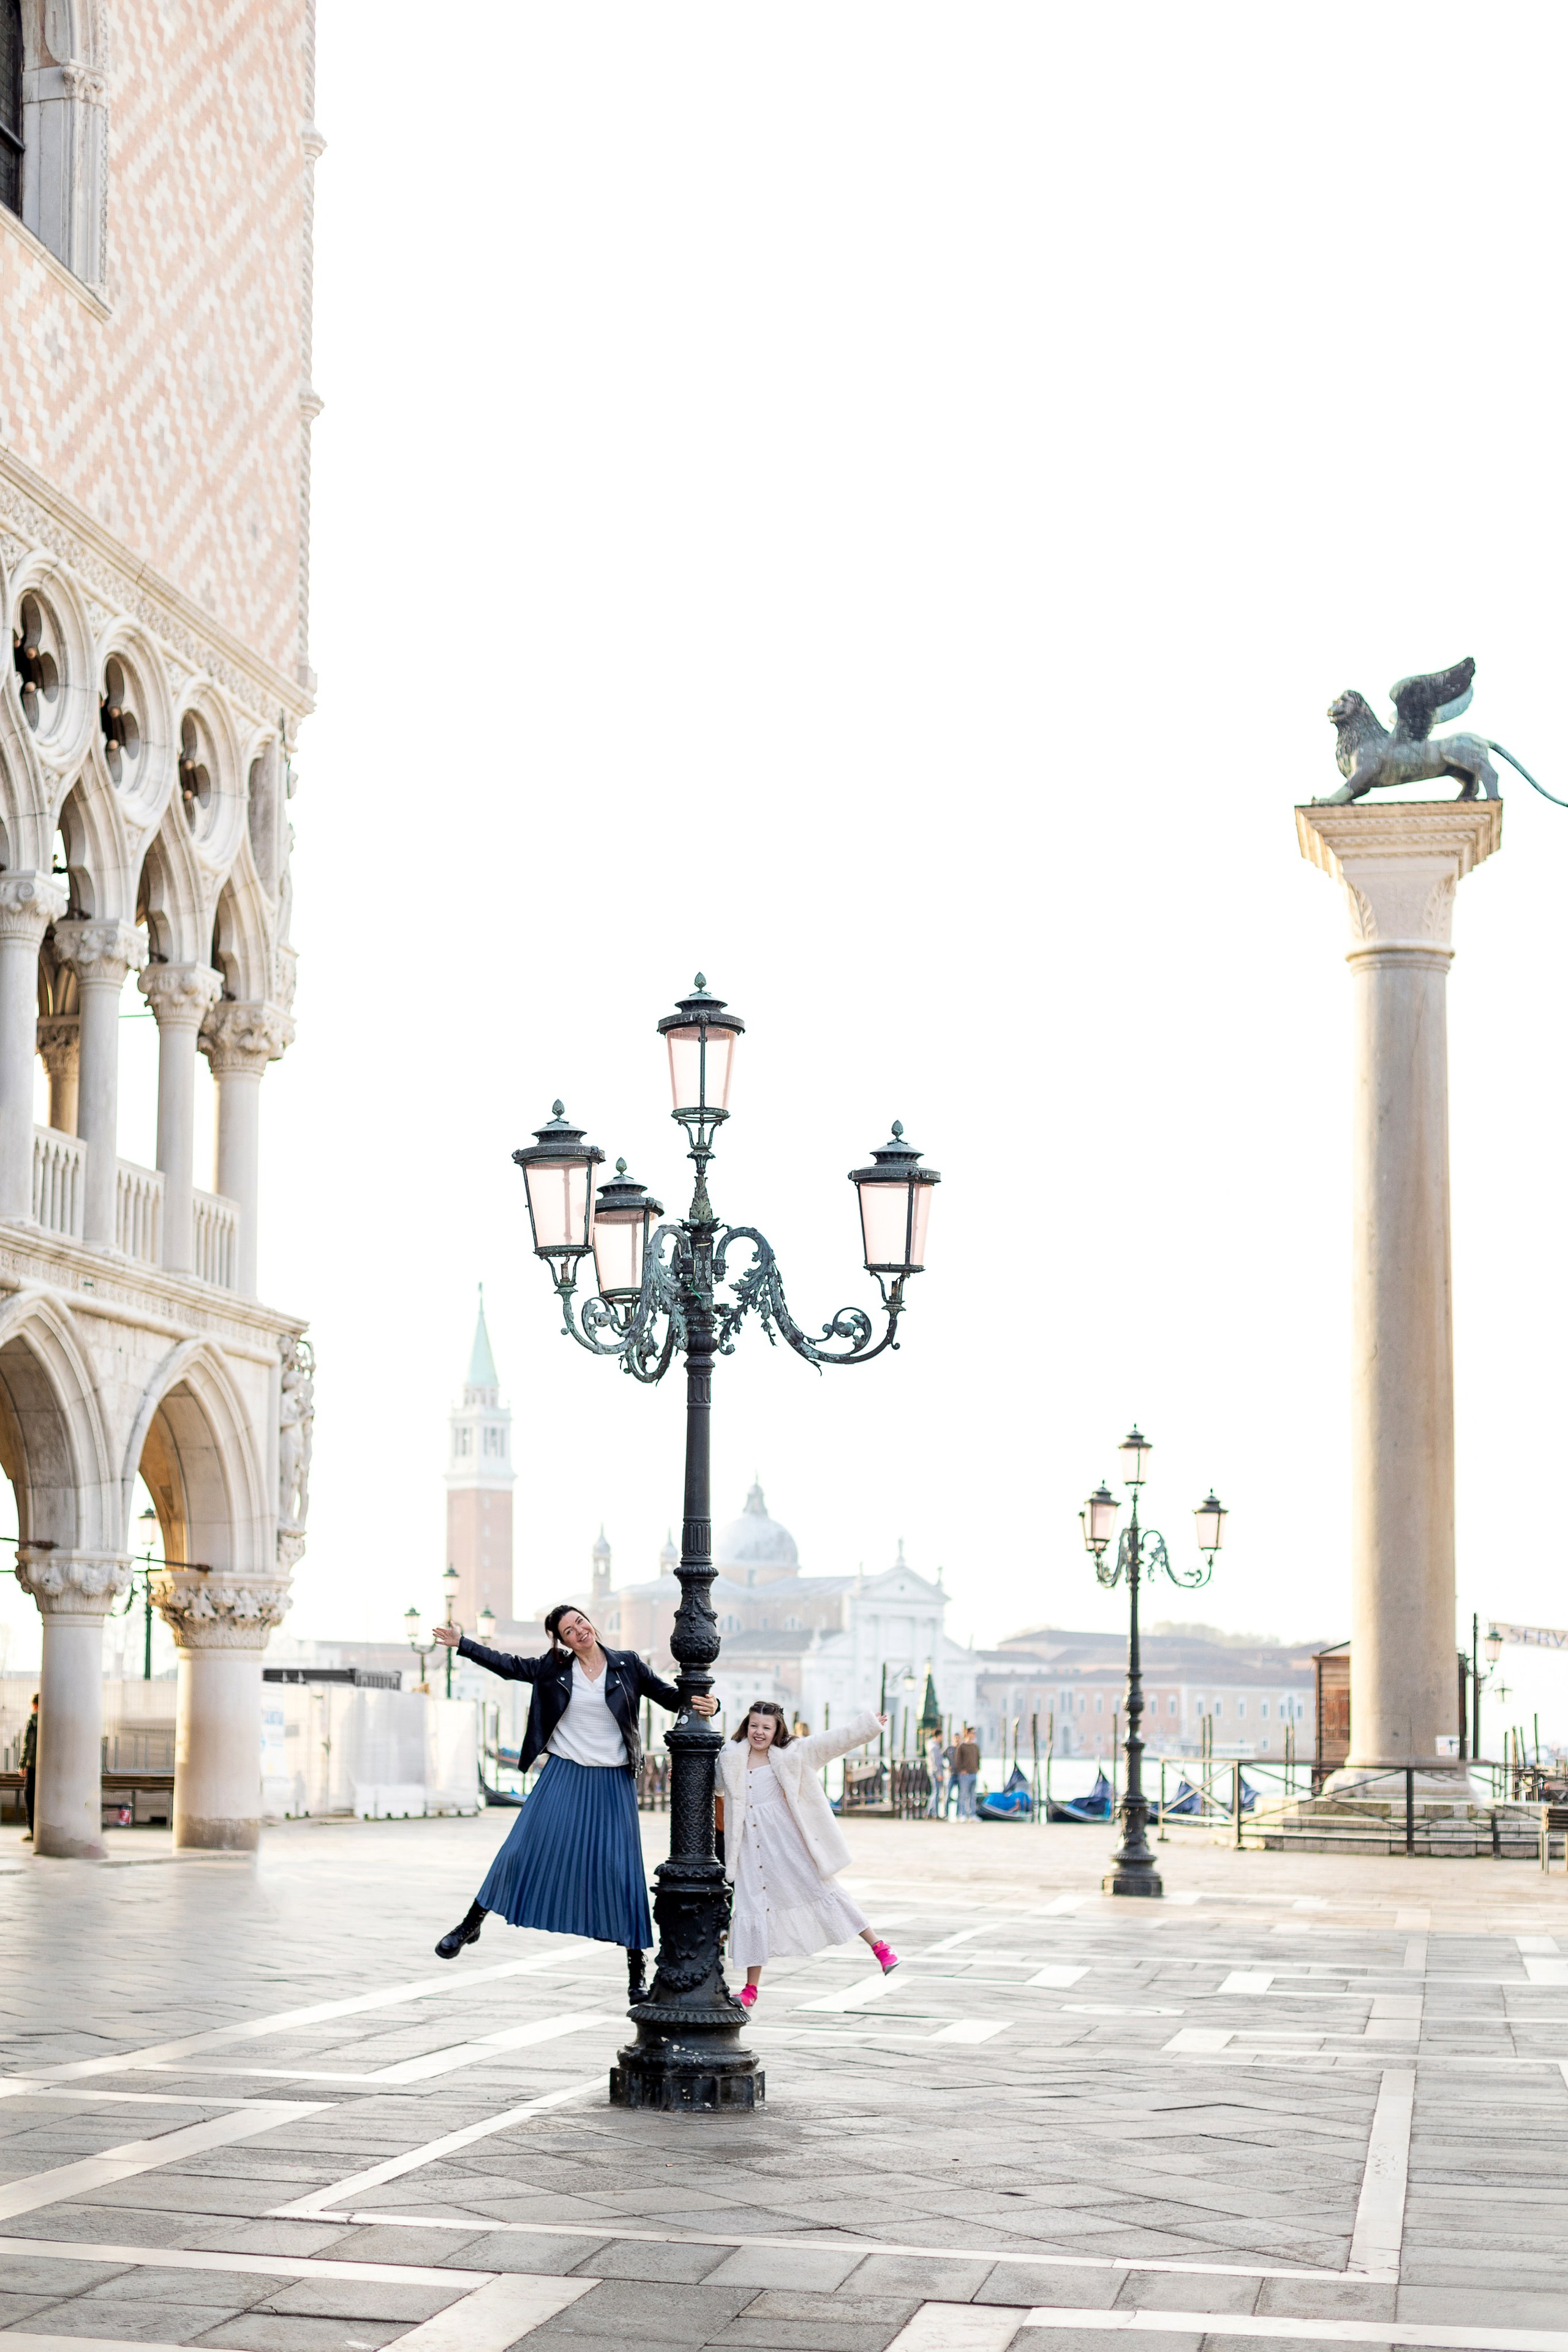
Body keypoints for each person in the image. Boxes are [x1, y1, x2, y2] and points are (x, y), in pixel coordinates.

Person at [431, 1605, 717, 1999]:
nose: (579, 1631)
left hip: (613, 1781)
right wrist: (462, 1643)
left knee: (622, 1871)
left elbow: (670, 1697)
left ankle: (636, 1972)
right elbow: (508, 1665)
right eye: (569, 1630)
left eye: (581, 1622)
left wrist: (705, 1702)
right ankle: (470, 1924)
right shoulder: (553, 1670)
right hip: (564, 1776)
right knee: (519, 1851)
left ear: (591, 1624)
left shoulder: (627, 1665)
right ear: (561, 1641)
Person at [721, 1698, 899, 2010]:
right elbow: (712, 1784)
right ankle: (750, 1989)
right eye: (753, 1726)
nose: (759, 1732)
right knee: (752, 1906)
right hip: (750, 1847)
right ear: (745, 1726)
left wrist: (868, 1726)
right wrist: (679, 1778)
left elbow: (834, 1741)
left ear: (777, 1730)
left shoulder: (794, 1754)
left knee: (824, 1889)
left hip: (789, 1843)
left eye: (766, 1727)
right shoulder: (732, 1757)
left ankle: (880, 1947)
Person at [20, 1692, 37, 1841]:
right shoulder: (51, 1720)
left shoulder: (33, 1720)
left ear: (35, 1705)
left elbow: (28, 1744)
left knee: (29, 1795)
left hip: (33, 1766)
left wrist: (22, 1763)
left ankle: (33, 1830)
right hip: (47, 1767)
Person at [955, 1724, 980, 1821]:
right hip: (965, 1775)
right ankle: (962, 1814)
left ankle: (972, 1814)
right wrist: (962, 1770)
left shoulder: (975, 1747)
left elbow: (978, 1758)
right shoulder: (962, 1746)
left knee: (973, 1795)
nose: (974, 1735)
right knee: (963, 1795)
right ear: (968, 1734)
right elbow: (958, 1760)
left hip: (974, 1773)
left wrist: (978, 1768)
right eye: (973, 1733)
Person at [924, 1728, 947, 1819]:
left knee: (936, 1792)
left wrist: (945, 1768)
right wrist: (939, 1773)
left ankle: (931, 1812)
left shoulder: (933, 1745)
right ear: (939, 1736)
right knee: (936, 1793)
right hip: (935, 1772)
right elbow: (935, 1761)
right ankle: (933, 1813)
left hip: (935, 1771)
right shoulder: (934, 1747)